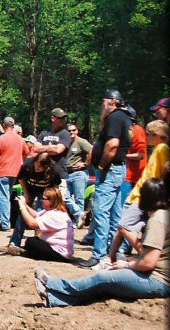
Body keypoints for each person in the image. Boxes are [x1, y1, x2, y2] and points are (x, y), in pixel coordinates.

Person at [34, 179, 168, 307]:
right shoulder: (162, 215)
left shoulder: (157, 220)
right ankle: (54, 298)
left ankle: (52, 284)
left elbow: (149, 262)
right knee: (104, 287)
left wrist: (126, 264)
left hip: (157, 280)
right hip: (158, 278)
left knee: (102, 278)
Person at [81, 88, 134, 268]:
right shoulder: (125, 118)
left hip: (110, 171)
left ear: (112, 101)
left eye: (103, 102)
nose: (101, 106)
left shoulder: (115, 117)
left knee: (102, 212)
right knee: (116, 213)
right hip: (119, 169)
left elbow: (112, 145)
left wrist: (102, 166)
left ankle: (99, 256)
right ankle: (115, 253)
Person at [107, 120, 170, 265]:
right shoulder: (158, 149)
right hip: (140, 194)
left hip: (143, 195)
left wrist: (153, 193)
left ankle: (142, 255)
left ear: (157, 135)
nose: (146, 137)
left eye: (148, 134)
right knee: (128, 229)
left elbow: (160, 174)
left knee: (123, 227)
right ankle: (112, 257)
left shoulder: (161, 149)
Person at [6, 186, 75, 262]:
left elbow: (32, 224)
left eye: (44, 199)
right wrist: (25, 205)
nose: (41, 200)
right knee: (33, 240)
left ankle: (26, 253)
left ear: (51, 201)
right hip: (59, 250)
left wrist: (22, 207)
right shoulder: (52, 211)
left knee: (32, 242)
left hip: (60, 254)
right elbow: (37, 215)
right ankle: (26, 251)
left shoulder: (55, 215)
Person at [9, 153, 61, 251]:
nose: (37, 168)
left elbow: (56, 187)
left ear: (46, 167)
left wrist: (53, 199)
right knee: (23, 214)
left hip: (45, 191)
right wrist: (26, 193)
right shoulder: (27, 164)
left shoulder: (54, 170)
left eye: (40, 168)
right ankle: (14, 242)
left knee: (41, 215)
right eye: (36, 165)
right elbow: (21, 179)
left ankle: (39, 241)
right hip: (30, 189)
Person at [0, 116, 30, 232]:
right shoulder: (20, 139)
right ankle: (11, 221)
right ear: (13, 126)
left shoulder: (1, 138)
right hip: (16, 172)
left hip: (3, 171)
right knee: (8, 196)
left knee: (3, 197)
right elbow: (27, 153)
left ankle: (5, 224)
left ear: (4, 126)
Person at [65, 121, 93, 228]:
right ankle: (79, 214)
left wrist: (85, 163)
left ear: (77, 131)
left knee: (79, 199)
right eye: (69, 130)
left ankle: (79, 222)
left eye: (74, 130)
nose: (72, 132)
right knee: (63, 196)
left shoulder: (81, 142)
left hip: (79, 174)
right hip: (66, 174)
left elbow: (93, 150)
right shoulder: (64, 142)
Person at [122, 105, 148, 207]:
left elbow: (141, 154)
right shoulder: (126, 131)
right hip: (126, 176)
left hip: (133, 178)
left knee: (126, 206)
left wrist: (123, 155)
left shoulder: (136, 130)